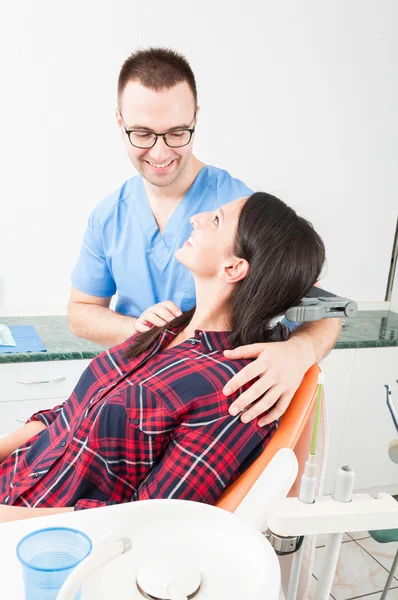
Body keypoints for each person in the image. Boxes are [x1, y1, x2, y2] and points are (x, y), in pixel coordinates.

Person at [0, 193, 325, 522]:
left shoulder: (232, 392)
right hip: (11, 484)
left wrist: (7, 519)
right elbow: (69, 417)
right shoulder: (164, 328)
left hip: (42, 537)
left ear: (233, 267)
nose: (196, 218)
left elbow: (149, 518)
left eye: (215, 220)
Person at [68, 47, 341, 428]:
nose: (160, 152)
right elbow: (80, 312)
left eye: (177, 133)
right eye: (143, 133)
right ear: (119, 122)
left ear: (195, 119)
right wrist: (139, 330)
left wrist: (300, 351)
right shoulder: (109, 215)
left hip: (212, 408)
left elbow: (326, 307)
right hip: (132, 399)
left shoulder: (235, 209)